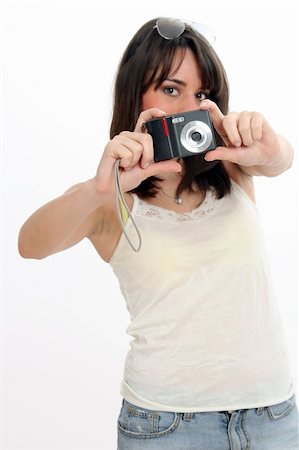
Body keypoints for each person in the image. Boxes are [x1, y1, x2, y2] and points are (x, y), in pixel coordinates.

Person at [18, 17, 298, 450]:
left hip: (273, 416)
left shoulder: (230, 164)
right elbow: (29, 245)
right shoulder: (109, 198)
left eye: (202, 93)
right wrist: (99, 189)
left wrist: (274, 146)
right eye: (172, 89)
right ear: (137, 94)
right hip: (167, 426)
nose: (190, 105)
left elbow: (280, 162)